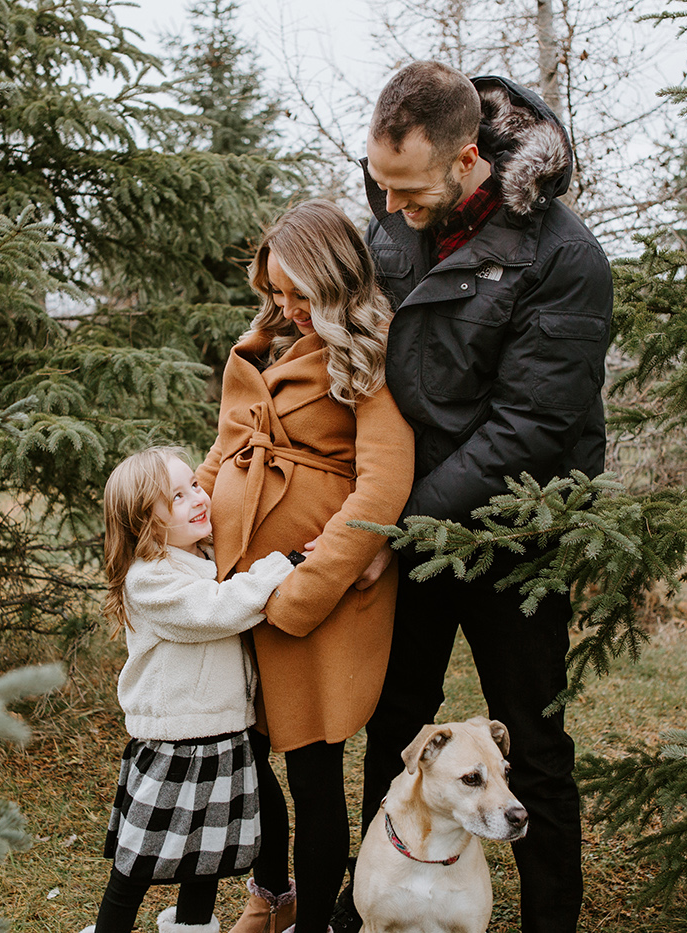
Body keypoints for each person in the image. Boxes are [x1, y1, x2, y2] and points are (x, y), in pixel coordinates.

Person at [341, 62, 613, 933]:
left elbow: (528, 429)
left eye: (408, 190)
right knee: (395, 735)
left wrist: (396, 522)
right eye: (380, 185)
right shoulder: (393, 224)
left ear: (468, 160)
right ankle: (372, 905)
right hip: (410, 531)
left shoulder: (566, 259)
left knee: (531, 751)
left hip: (515, 543)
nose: (390, 209)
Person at [194, 199, 415, 933]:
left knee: (313, 771)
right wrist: (177, 526)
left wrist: (305, 591)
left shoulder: (368, 357)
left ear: (336, 282)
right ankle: (272, 891)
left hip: (310, 597)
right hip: (236, 587)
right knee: (251, 753)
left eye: (300, 293)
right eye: (275, 292)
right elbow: (223, 452)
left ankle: (317, 917)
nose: (286, 307)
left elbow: (382, 485)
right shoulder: (263, 346)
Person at [83, 446, 298, 933]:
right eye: (176, 497)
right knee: (135, 865)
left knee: (207, 858)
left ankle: (192, 928)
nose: (197, 499)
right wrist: (278, 568)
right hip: (175, 741)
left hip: (223, 733)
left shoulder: (199, 555)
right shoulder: (150, 580)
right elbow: (217, 609)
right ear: (146, 522)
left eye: (195, 486)